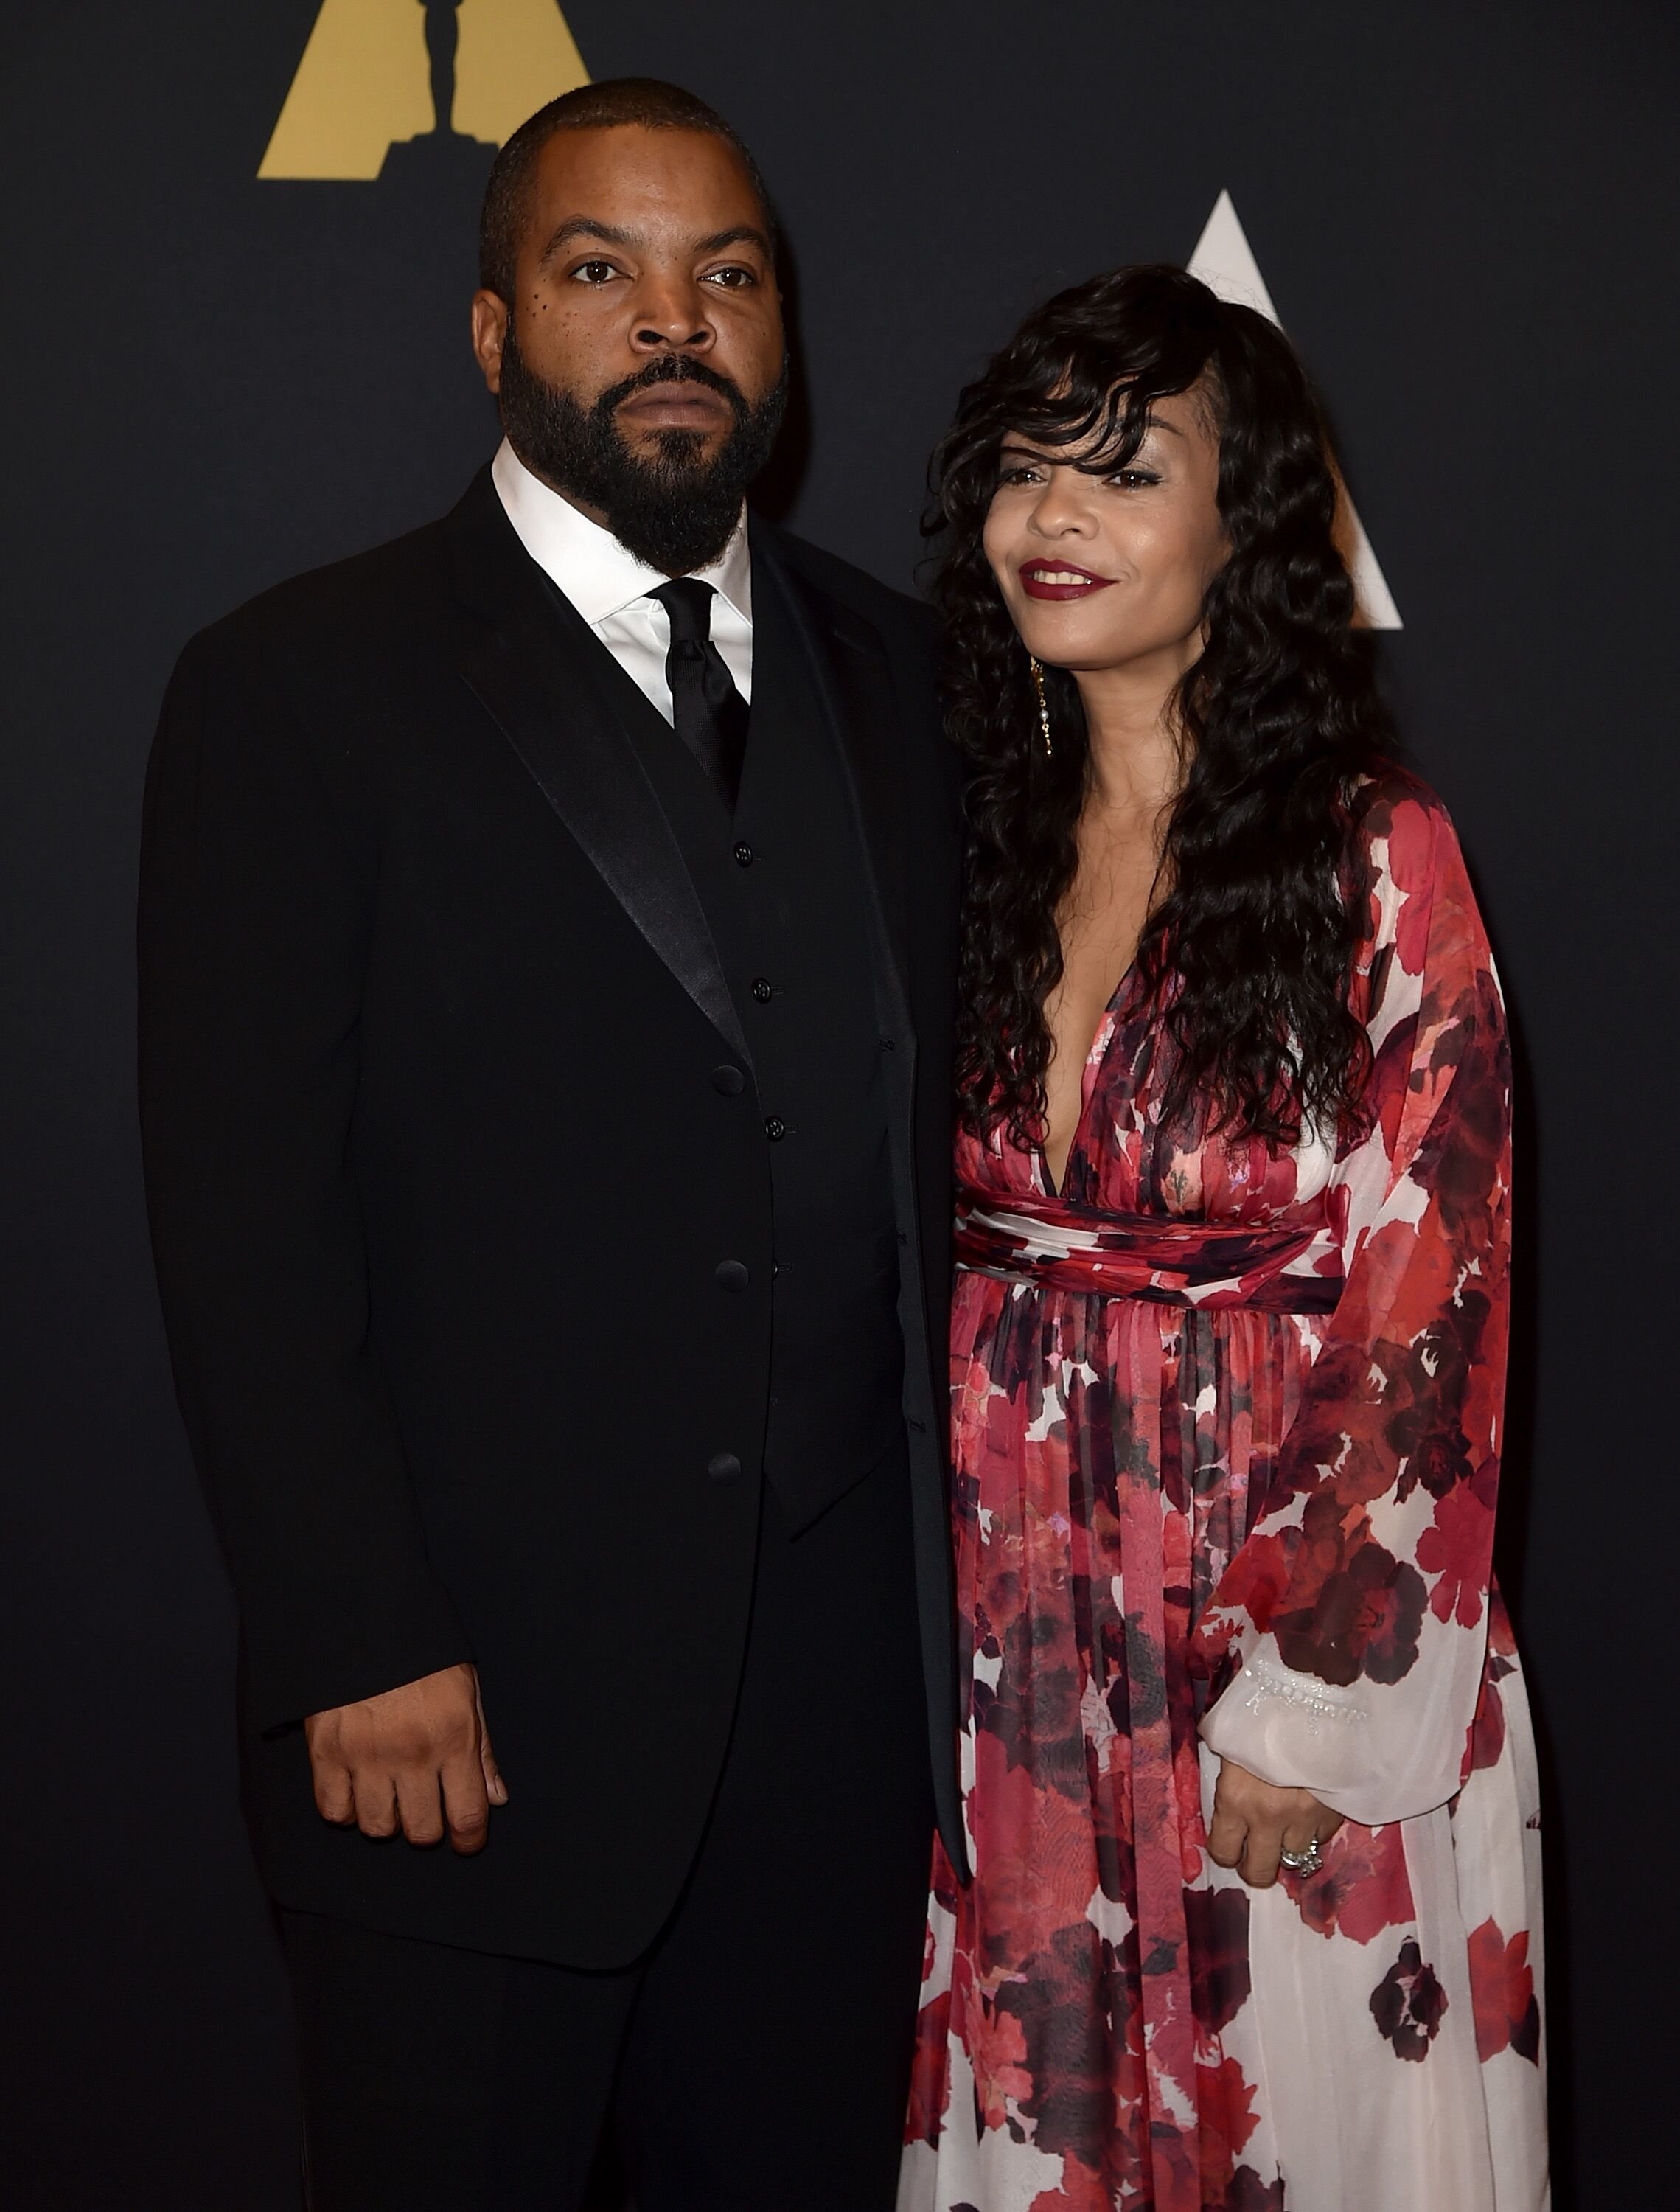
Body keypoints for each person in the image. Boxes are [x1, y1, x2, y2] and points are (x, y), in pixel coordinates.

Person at [139, 79, 963, 2212]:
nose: (672, 324)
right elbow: (242, 1211)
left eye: (729, 278)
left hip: (841, 1751)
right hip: (454, 1733)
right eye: (604, 272)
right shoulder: (298, 686)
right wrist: (352, 1631)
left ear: (783, 332)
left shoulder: (922, 679)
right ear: (498, 330)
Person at [900, 267, 1547, 2211]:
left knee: (1308, 2127)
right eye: (1027, 467)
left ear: (1242, 521)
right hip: (1022, 1664)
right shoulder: (974, 837)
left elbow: (1437, 1285)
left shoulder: (1375, 849)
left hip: (1288, 1659)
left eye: (1123, 469)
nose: (1054, 517)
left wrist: (1321, 1708)